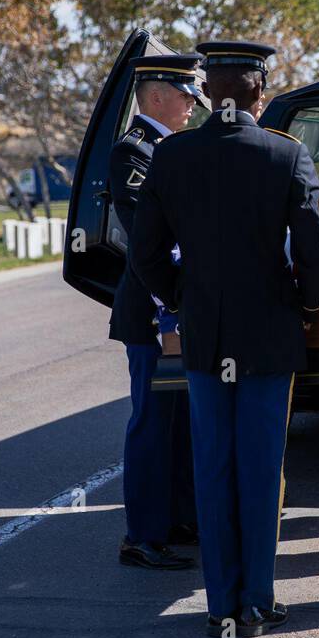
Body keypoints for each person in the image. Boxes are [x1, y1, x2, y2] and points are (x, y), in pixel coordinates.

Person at [129, 40, 319, 638]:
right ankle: (258, 601)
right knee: (262, 469)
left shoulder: (173, 157)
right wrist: (306, 302)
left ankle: (220, 604)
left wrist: (185, 299)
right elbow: (315, 249)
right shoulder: (286, 155)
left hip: (205, 337)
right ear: (258, 95)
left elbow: (143, 255)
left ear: (209, 92)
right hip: (269, 332)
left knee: (213, 466)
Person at [108, 54, 202, 572]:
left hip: (179, 307)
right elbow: (151, 226)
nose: (192, 104)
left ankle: (179, 518)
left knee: (183, 420)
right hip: (150, 310)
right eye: (185, 94)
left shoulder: (171, 149)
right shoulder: (133, 151)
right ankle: (142, 535)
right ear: (157, 96)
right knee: (152, 420)